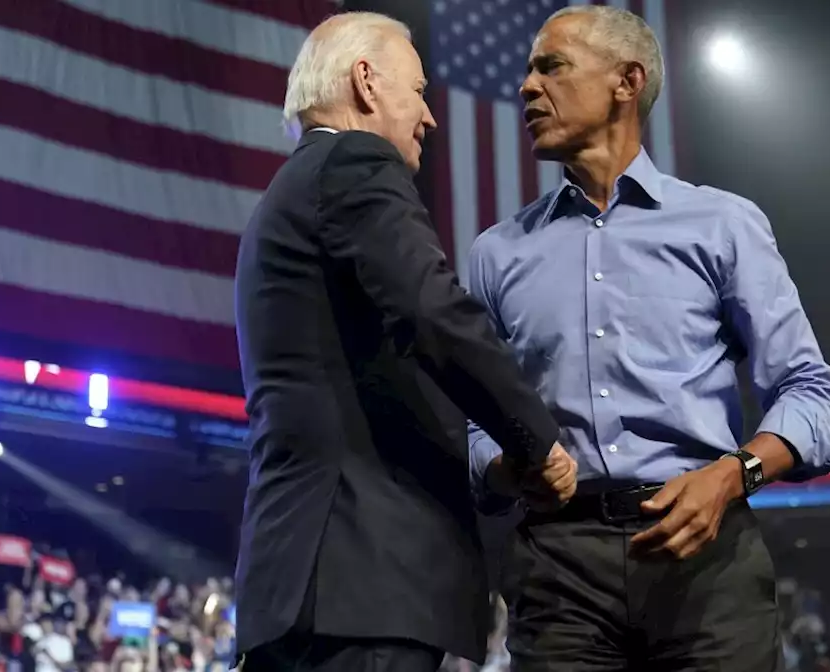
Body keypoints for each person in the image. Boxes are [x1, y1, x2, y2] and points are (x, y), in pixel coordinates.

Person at [467, 5, 830, 670]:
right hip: (557, 567)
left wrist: (734, 476)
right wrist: (504, 467)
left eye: (550, 66)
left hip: (708, 553)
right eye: (529, 71)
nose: (527, 87)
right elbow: (469, 426)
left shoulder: (724, 225)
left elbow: (810, 392)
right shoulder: (496, 255)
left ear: (627, 81)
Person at [234, 11, 577, 672]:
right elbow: (433, 310)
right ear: (366, 81)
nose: (430, 117)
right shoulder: (352, 163)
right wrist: (537, 440)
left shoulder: (286, 194)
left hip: (302, 582)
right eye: (418, 91)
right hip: (361, 580)